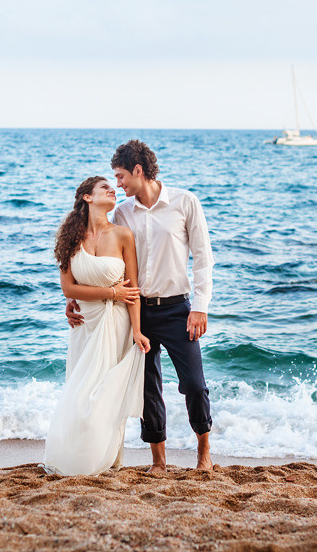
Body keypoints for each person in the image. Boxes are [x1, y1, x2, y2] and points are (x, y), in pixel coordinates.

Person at [67, 140, 214, 472]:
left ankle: (204, 451)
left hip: (179, 309)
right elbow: (101, 257)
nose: (118, 185)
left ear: (138, 170)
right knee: (148, 388)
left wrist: (200, 306)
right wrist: (74, 297)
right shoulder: (122, 213)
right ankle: (158, 461)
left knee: (194, 383)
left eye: (120, 176)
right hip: (137, 311)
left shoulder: (185, 202)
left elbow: (203, 259)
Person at [43, 176, 151, 476]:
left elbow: (132, 291)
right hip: (84, 324)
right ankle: (72, 456)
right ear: (87, 198)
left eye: (113, 188)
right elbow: (69, 289)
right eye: (105, 187)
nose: (111, 191)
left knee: (105, 396)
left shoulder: (123, 235)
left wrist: (138, 330)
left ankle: (105, 460)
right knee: (79, 394)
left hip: (116, 325)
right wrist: (110, 292)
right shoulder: (69, 238)